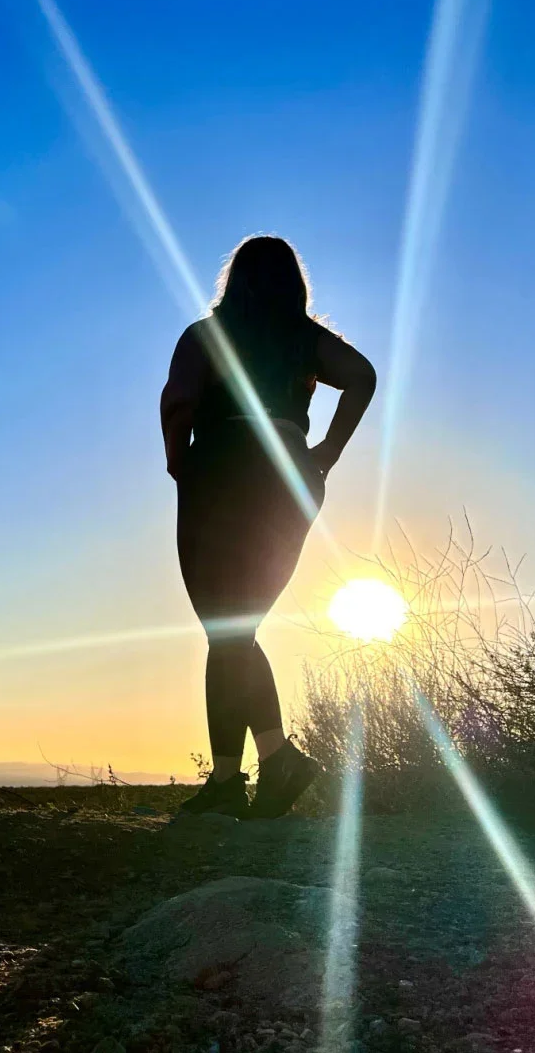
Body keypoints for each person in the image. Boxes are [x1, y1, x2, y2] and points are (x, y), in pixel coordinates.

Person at [160, 235, 377, 819]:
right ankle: (234, 777)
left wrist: (182, 463)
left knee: (226, 627)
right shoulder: (303, 338)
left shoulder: (207, 335)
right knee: (234, 631)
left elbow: (179, 402)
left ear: (235, 280)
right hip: (289, 477)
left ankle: (273, 760)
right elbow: (362, 375)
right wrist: (327, 450)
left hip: (224, 471)